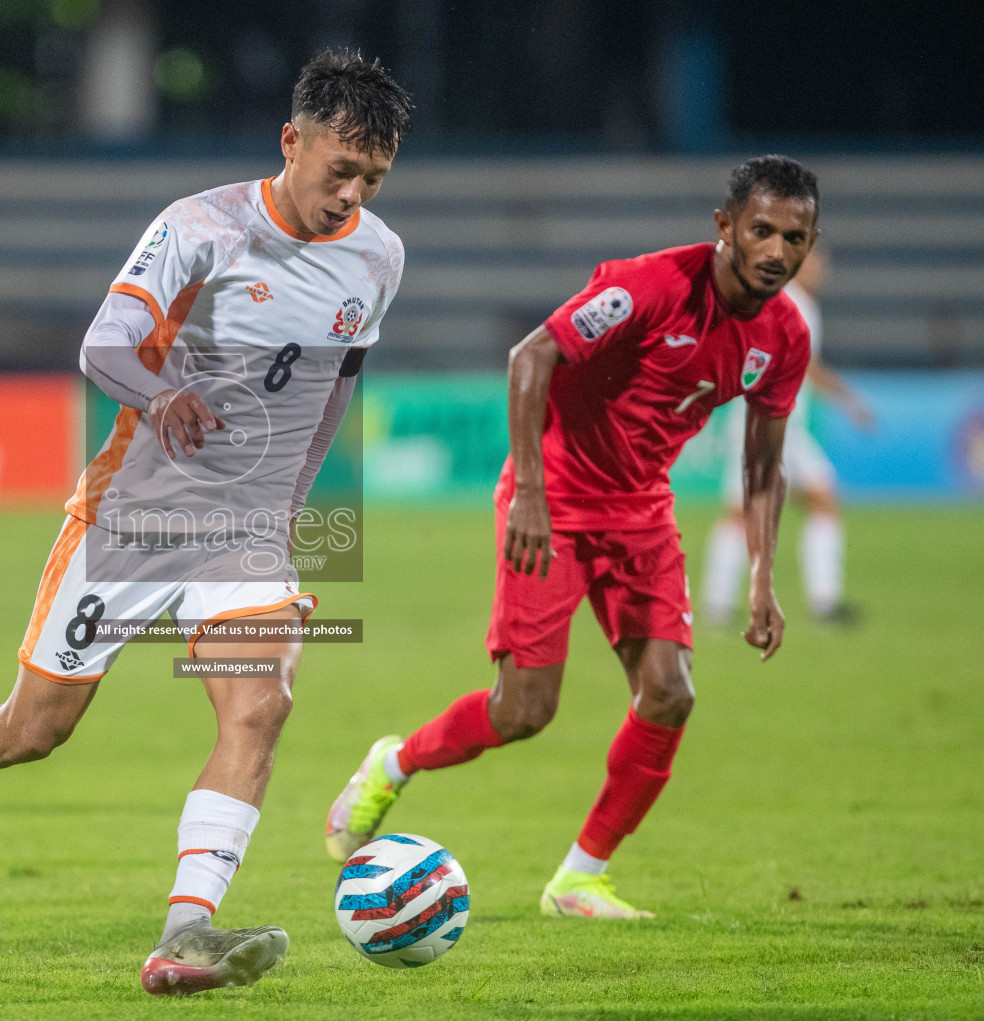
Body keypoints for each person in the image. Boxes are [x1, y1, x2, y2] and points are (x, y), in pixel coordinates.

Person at [0, 50, 411, 995]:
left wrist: (296, 502)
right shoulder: (203, 228)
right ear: (291, 142)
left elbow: (338, 383)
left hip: (247, 530)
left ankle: (187, 936)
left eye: (372, 179)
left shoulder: (380, 256)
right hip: (134, 518)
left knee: (260, 708)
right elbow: (102, 344)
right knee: (34, 728)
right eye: (337, 171)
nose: (349, 195)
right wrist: (162, 395)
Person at [326, 155, 820, 919]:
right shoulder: (647, 287)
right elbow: (533, 356)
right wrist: (528, 490)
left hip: (643, 512)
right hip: (551, 503)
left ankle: (579, 879)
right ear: (725, 228)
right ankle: (395, 761)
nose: (777, 252)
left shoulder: (784, 335)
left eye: (796, 237)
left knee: (669, 694)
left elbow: (763, 463)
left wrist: (763, 579)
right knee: (524, 711)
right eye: (762, 230)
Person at [703, 243, 873, 625]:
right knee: (786, 506)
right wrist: (849, 401)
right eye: (815, 261)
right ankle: (819, 602)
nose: (821, 269)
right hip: (771, 423)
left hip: (771, 422)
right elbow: (803, 366)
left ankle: (725, 604)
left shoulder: (788, 301)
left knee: (795, 503)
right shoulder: (793, 303)